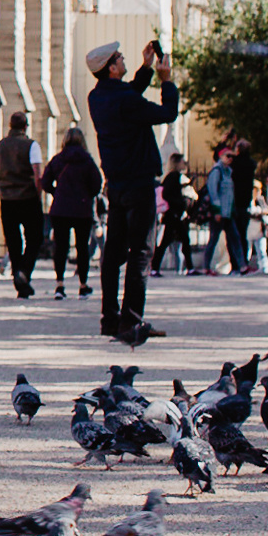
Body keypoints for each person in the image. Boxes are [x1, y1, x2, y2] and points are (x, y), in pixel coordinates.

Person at [84, 38, 179, 344]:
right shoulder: (125, 100)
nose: (124, 62)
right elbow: (167, 113)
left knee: (113, 253)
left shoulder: (97, 97)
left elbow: (128, 95)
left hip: (116, 184)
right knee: (141, 251)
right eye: (120, 59)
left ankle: (109, 319)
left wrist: (146, 68)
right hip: (139, 182)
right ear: (112, 68)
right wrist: (167, 81)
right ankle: (132, 320)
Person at [0, 110, 46, 300]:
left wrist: (0, 191)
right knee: (35, 238)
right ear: (25, 126)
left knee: (13, 241)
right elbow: (38, 175)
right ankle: (24, 272)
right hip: (28, 197)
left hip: (7, 199)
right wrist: (38, 193)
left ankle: (20, 281)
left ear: (10, 126)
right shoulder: (31, 146)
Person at [41, 126, 101, 298]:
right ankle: (83, 284)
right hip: (82, 209)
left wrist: (56, 193)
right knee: (82, 248)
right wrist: (85, 195)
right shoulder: (87, 161)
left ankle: (60, 285)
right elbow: (97, 185)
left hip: (60, 209)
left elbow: (45, 182)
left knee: (60, 247)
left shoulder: (58, 160)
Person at [225, 138, 259, 275]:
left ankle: (235, 264)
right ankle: (243, 262)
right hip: (245, 203)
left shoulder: (234, 164)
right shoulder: (251, 164)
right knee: (242, 235)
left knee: (232, 235)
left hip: (233, 202)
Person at [158, 154, 194, 275]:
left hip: (176, 214)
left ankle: (190, 266)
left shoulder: (175, 177)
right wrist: (179, 203)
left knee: (181, 240)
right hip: (173, 214)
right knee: (167, 241)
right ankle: (154, 267)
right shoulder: (172, 177)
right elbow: (167, 193)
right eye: (182, 161)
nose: (184, 164)